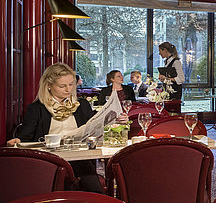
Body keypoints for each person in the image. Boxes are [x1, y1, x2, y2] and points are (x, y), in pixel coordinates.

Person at [6, 63, 127, 193]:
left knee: (95, 191)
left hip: (80, 159)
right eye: (62, 86)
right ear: (48, 86)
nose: (68, 90)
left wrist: (117, 121)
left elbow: (94, 127)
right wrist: (16, 141)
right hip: (50, 162)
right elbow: (25, 138)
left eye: (71, 84)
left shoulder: (82, 105)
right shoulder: (36, 109)